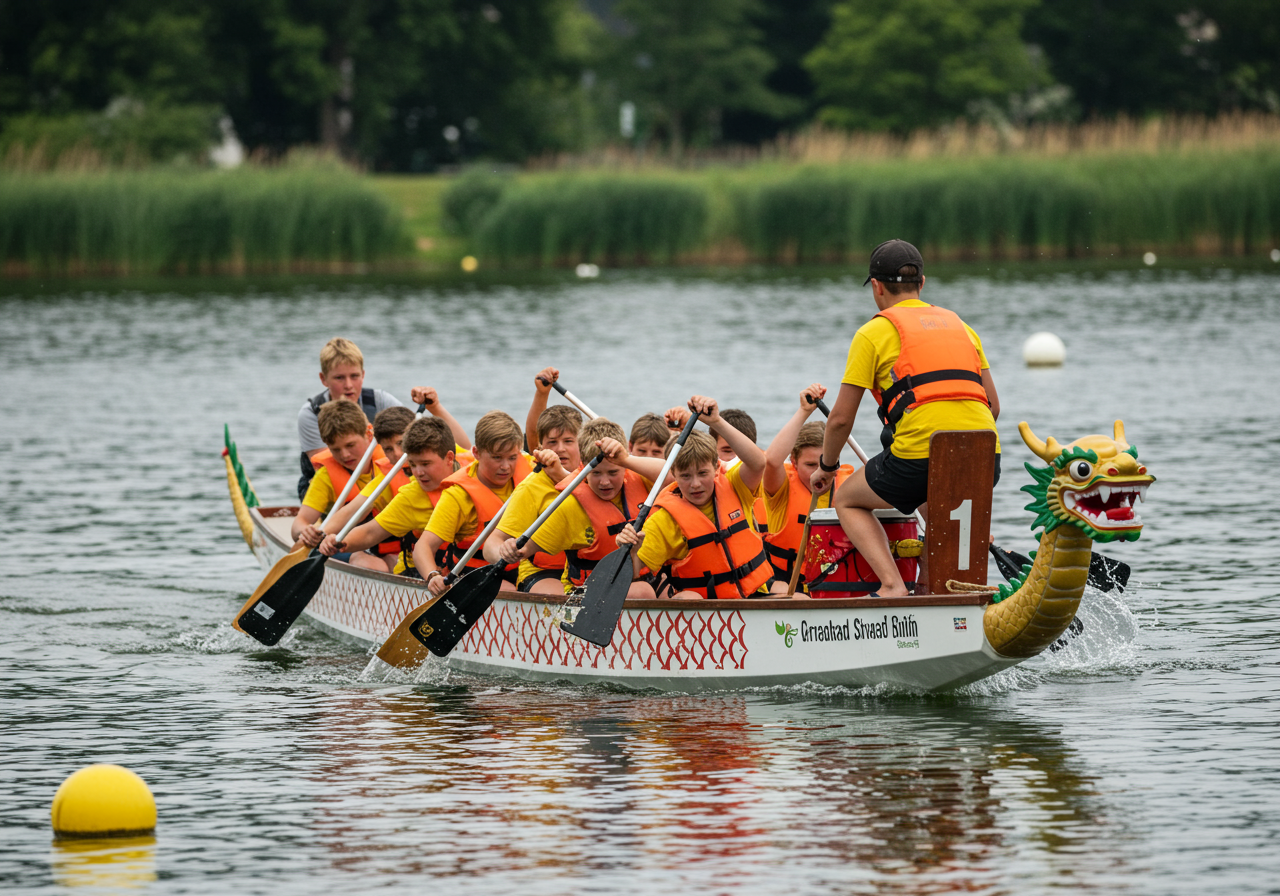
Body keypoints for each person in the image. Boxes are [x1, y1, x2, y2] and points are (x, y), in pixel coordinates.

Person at [810, 239, 1000, 598]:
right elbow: (993, 406)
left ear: (876, 287)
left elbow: (838, 420)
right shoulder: (961, 326)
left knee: (847, 500)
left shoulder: (873, 333)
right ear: (922, 284)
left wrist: (827, 466)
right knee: (934, 502)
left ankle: (893, 585)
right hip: (985, 457)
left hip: (920, 458)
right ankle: (937, 590)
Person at [614, 396, 786, 599]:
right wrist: (632, 551)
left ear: (716, 469)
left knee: (799, 599)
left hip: (752, 597)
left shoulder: (735, 485)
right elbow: (634, 572)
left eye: (702, 474)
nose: (695, 484)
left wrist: (715, 422)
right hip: (702, 610)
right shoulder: (664, 520)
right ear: (674, 476)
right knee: (689, 599)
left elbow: (758, 463)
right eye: (685, 476)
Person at [495, 418, 662, 597]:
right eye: (596, 473)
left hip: (643, 576)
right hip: (588, 589)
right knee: (642, 592)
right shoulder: (570, 506)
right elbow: (524, 549)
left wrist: (627, 460)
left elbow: (672, 474)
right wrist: (511, 549)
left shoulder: (641, 479)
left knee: (666, 591)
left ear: (624, 468)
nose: (605, 482)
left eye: (613, 472)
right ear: (583, 468)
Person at [319, 417, 463, 576]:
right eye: (413, 464)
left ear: (449, 458)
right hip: (419, 573)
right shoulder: (411, 497)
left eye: (425, 464)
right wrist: (339, 541)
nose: (418, 472)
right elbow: (370, 533)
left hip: (465, 571)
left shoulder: (474, 476)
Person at [414, 411, 533, 595]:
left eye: (512, 457)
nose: (506, 466)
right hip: (473, 575)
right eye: (497, 457)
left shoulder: (532, 470)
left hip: (524, 571)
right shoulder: (458, 495)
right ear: (476, 453)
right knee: (511, 590)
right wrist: (432, 576)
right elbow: (424, 546)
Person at [761, 384, 855, 586]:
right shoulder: (781, 489)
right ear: (793, 462)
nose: (818, 472)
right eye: (810, 465)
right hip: (786, 583)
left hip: (835, 581)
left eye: (826, 464)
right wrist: (804, 411)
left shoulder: (850, 487)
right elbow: (771, 461)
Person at [484, 404, 584, 592]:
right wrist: (503, 551)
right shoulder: (531, 487)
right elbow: (491, 542)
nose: (560, 449)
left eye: (568, 441)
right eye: (552, 442)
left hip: (588, 570)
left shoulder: (599, 478)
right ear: (540, 447)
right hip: (543, 572)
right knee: (557, 593)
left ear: (582, 443)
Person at [296, 338, 403, 501]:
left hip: (378, 478)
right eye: (339, 378)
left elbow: (412, 439)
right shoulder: (310, 414)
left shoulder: (381, 401)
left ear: (363, 375)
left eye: (354, 376)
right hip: (333, 487)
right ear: (323, 379)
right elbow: (328, 467)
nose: (348, 385)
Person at [291, 399, 386, 548]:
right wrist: (305, 532)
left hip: (390, 544)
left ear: (368, 434)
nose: (345, 455)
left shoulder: (389, 462)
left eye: (350, 445)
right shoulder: (325, 476)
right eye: (335, 449)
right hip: (343, 547)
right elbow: (299, 523)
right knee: (366, 561)